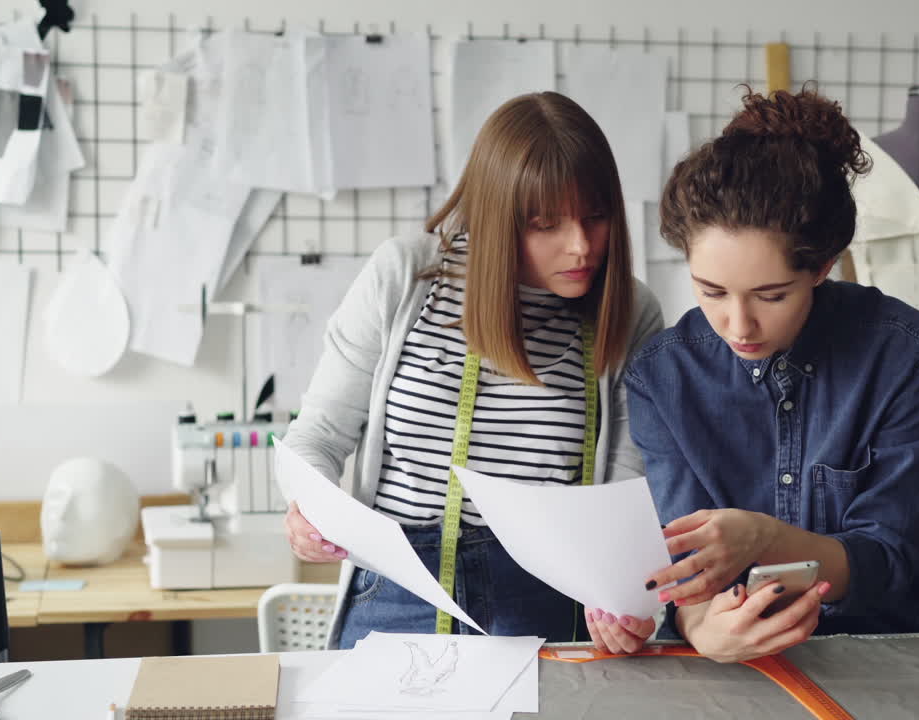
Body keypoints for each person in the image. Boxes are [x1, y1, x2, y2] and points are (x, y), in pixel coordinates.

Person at [281, 91, 664, 649]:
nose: (581, 245)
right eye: (545, 224)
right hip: (400, 589)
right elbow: (317, 432)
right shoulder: (406, 278)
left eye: (596, 216)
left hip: (551, 595)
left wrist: (619, 592)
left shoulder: (629, 312)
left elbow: (627, 479)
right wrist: (310, 508)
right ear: (497, 216)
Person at [592, 88, 919, 661]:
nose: (739, 325)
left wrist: (765, 539)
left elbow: (891, 562)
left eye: (771, 295)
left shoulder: (905, 355)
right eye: (711, 291)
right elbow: (683, 569)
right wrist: (701, 630)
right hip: (723, 665)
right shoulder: (662, 375)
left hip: (884, 651)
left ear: (823, 265)